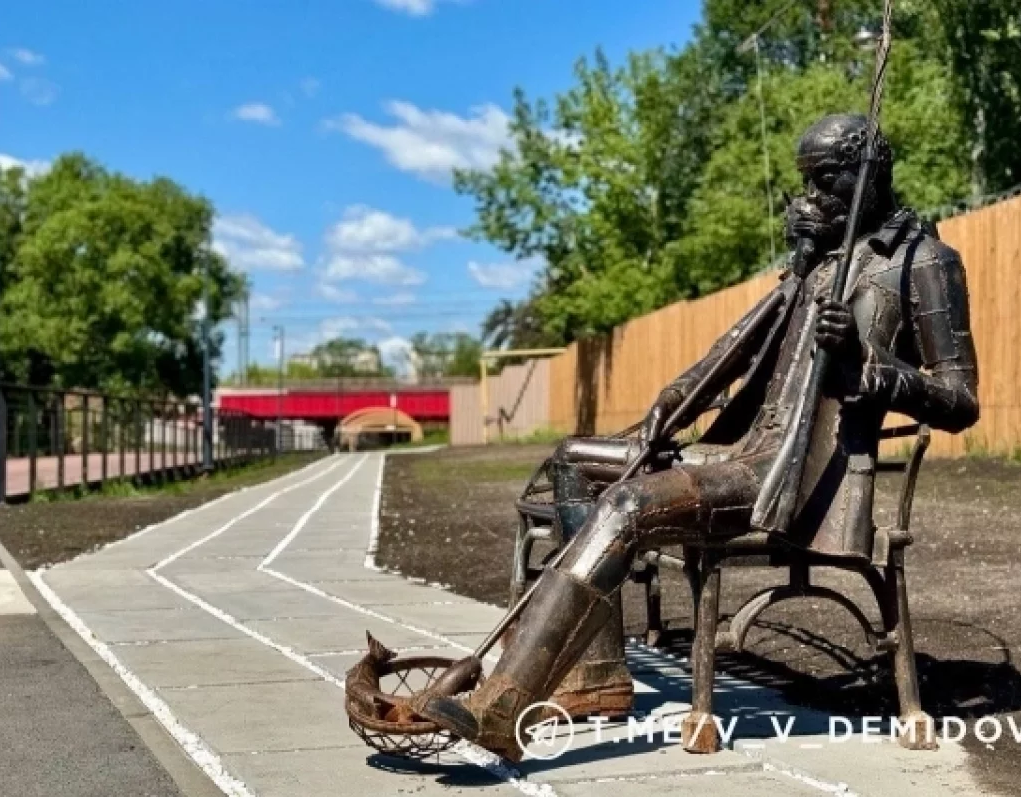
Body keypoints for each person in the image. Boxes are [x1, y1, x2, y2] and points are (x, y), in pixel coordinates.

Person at [410, 113, 981, 762]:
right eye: (806, 183)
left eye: (825, 182)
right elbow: (726, 359)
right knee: (572, 460)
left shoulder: (924, 262)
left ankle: (506, 702)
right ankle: (592, 676)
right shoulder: (819, 266)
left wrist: (868, 360)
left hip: (795, 479)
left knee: (626, 506)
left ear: (869, 176)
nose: (811, 197)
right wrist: (664, 413)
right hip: (740, 454)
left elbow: (960, 399)